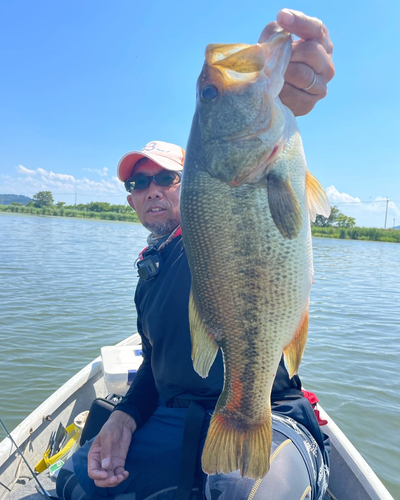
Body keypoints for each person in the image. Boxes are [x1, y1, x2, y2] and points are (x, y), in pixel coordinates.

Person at [57, 9, 334, 500]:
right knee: (80, 478)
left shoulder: (201, 240)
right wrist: (124, 415)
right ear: (131, 200)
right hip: (176, 417)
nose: (152, 190)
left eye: (165, 177)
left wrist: (282, 95)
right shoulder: (151, 269)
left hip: (271, 409)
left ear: (190, 188)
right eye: (138, 182)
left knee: (242, 491)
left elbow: (265, 213)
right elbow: (156, 365)